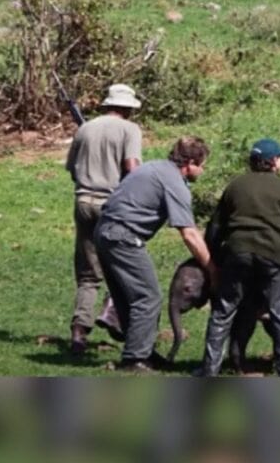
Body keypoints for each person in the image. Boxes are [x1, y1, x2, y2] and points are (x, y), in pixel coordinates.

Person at [95, 136, 217, 372]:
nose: (202, 171)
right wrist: (211, 268)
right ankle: (135, 360)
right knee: (147, 297)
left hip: (104, 231)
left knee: (128, 298)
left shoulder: (153, 167)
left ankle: (142, 352)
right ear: (190, 162)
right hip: (123, 236)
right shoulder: (174, 181)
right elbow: (189, 234)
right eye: (202, 165)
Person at [197, 138, 280, 377]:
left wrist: (214, 257)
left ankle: (209, 370)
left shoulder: (235, 186)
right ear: (273, 162)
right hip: (274, 255)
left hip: (238, 253)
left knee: (223, 311)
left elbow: (215, 227)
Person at [64, 83, 142, 355]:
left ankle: (79, 330)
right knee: (123, 264)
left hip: (83, 201)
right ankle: (113, 314)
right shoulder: (129, 130)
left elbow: (72, 169)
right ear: (127, 108)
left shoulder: (85, 128)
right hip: (113, 205)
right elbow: (132, 169)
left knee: (88, 274)